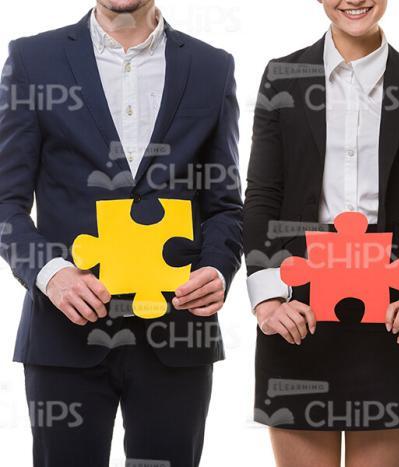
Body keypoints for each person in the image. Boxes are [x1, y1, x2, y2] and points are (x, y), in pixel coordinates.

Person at [0, 1, 243, 466]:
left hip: (177, 331)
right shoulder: (34, 59)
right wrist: (52, 275)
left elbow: (225, 204)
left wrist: (216, 265)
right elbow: (5, 203)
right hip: (65, 334)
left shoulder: (212, 65)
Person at [243, 1, 399, 465]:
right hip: (299, 305)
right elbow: (261, 195)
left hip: (392, 307)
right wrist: (267, 295)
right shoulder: (283, 75)